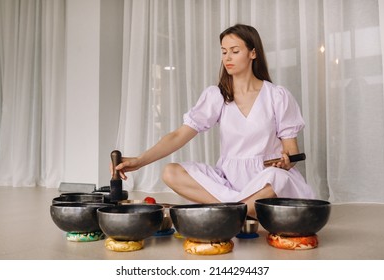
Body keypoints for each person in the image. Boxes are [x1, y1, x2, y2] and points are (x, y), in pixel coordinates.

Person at [114, 23, 315, 218]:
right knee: (170, 172)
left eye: (235, 51)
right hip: (227, 181)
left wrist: (287, 162)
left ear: (253, 53)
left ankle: (230, 210)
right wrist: (140, 161)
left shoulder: (277, 96)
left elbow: (291, 150)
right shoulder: (217, 96)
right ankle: (240, 210)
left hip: (266, 178)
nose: (227, 57)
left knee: (278, 178)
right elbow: (178, 136)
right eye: (224, 51)